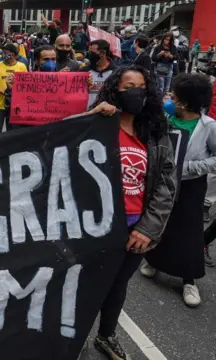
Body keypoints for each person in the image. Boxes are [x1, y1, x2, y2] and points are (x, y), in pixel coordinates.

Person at [85, 66, 176, 360]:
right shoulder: (99, 122)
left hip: (134, 226)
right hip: (94, 224)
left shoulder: (156, 134)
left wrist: (148, 229)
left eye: (141, 86)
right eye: (128, 86)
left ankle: (106, 335)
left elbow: (165, 185)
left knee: (117, 284)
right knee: (84, 284)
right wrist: (92, 115)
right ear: (114, 90)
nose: (135, 92)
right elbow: (61, 141)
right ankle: (71, 340)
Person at [140, 73, 215, 307]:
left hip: (191, 185)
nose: (170, 97)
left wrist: (188, 167)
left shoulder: (209, 127)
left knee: (187, 230)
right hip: (162, 181)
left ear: (186, 100)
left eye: (175, 95)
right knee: (160, 220)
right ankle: (154, 260)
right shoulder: (164, 118)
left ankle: (188, 279)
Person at [0, 43, 27, 133]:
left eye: (5, 52)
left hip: (14, 105)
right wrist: (5, 92)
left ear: (13, 54)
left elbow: (25, 84)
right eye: (3, 52)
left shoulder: (21, 66)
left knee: (12, 131)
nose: (3, 54)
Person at [87, 40, 117, 108]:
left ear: (102, 53)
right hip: (87, 113)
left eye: (92, 53)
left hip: (107, 113)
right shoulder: (85, 70)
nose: (89, 55)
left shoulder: (116, 72)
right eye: (89, 52)